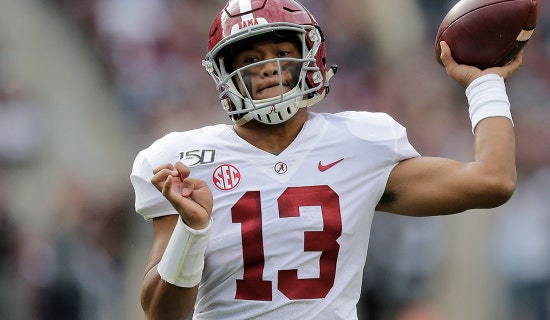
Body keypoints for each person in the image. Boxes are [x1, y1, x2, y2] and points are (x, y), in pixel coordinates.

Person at [129, 0, 522, 319]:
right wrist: (192, 232)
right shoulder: (184, 161)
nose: (268, 67)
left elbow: (492, 181)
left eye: (283, 52)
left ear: (311, 58)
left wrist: (485, 84)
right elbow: (162, 315)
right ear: (225, 74)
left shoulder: (362, 143)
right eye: (250, 57)